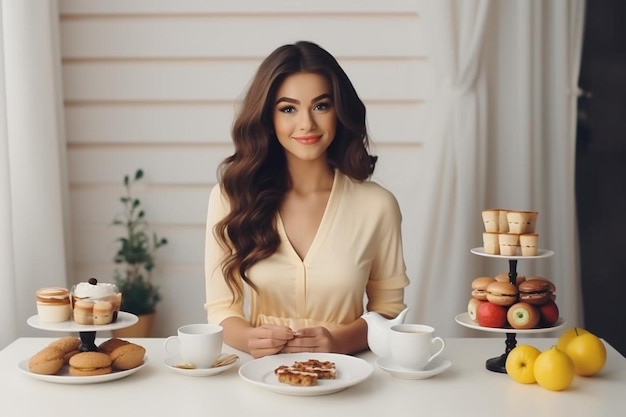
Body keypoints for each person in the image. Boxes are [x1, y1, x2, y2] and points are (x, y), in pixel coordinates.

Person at [204, 40, 409, 358]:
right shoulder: (231, 198)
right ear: (268, 118)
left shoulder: (378, 205)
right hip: (261, 378)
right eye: (288, 109)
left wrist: (340, 342)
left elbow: (389, 311)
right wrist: (248, 339)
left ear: (339, 112)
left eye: (321, 106)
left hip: (349, 377)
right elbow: (220, 309)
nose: (307, 124)